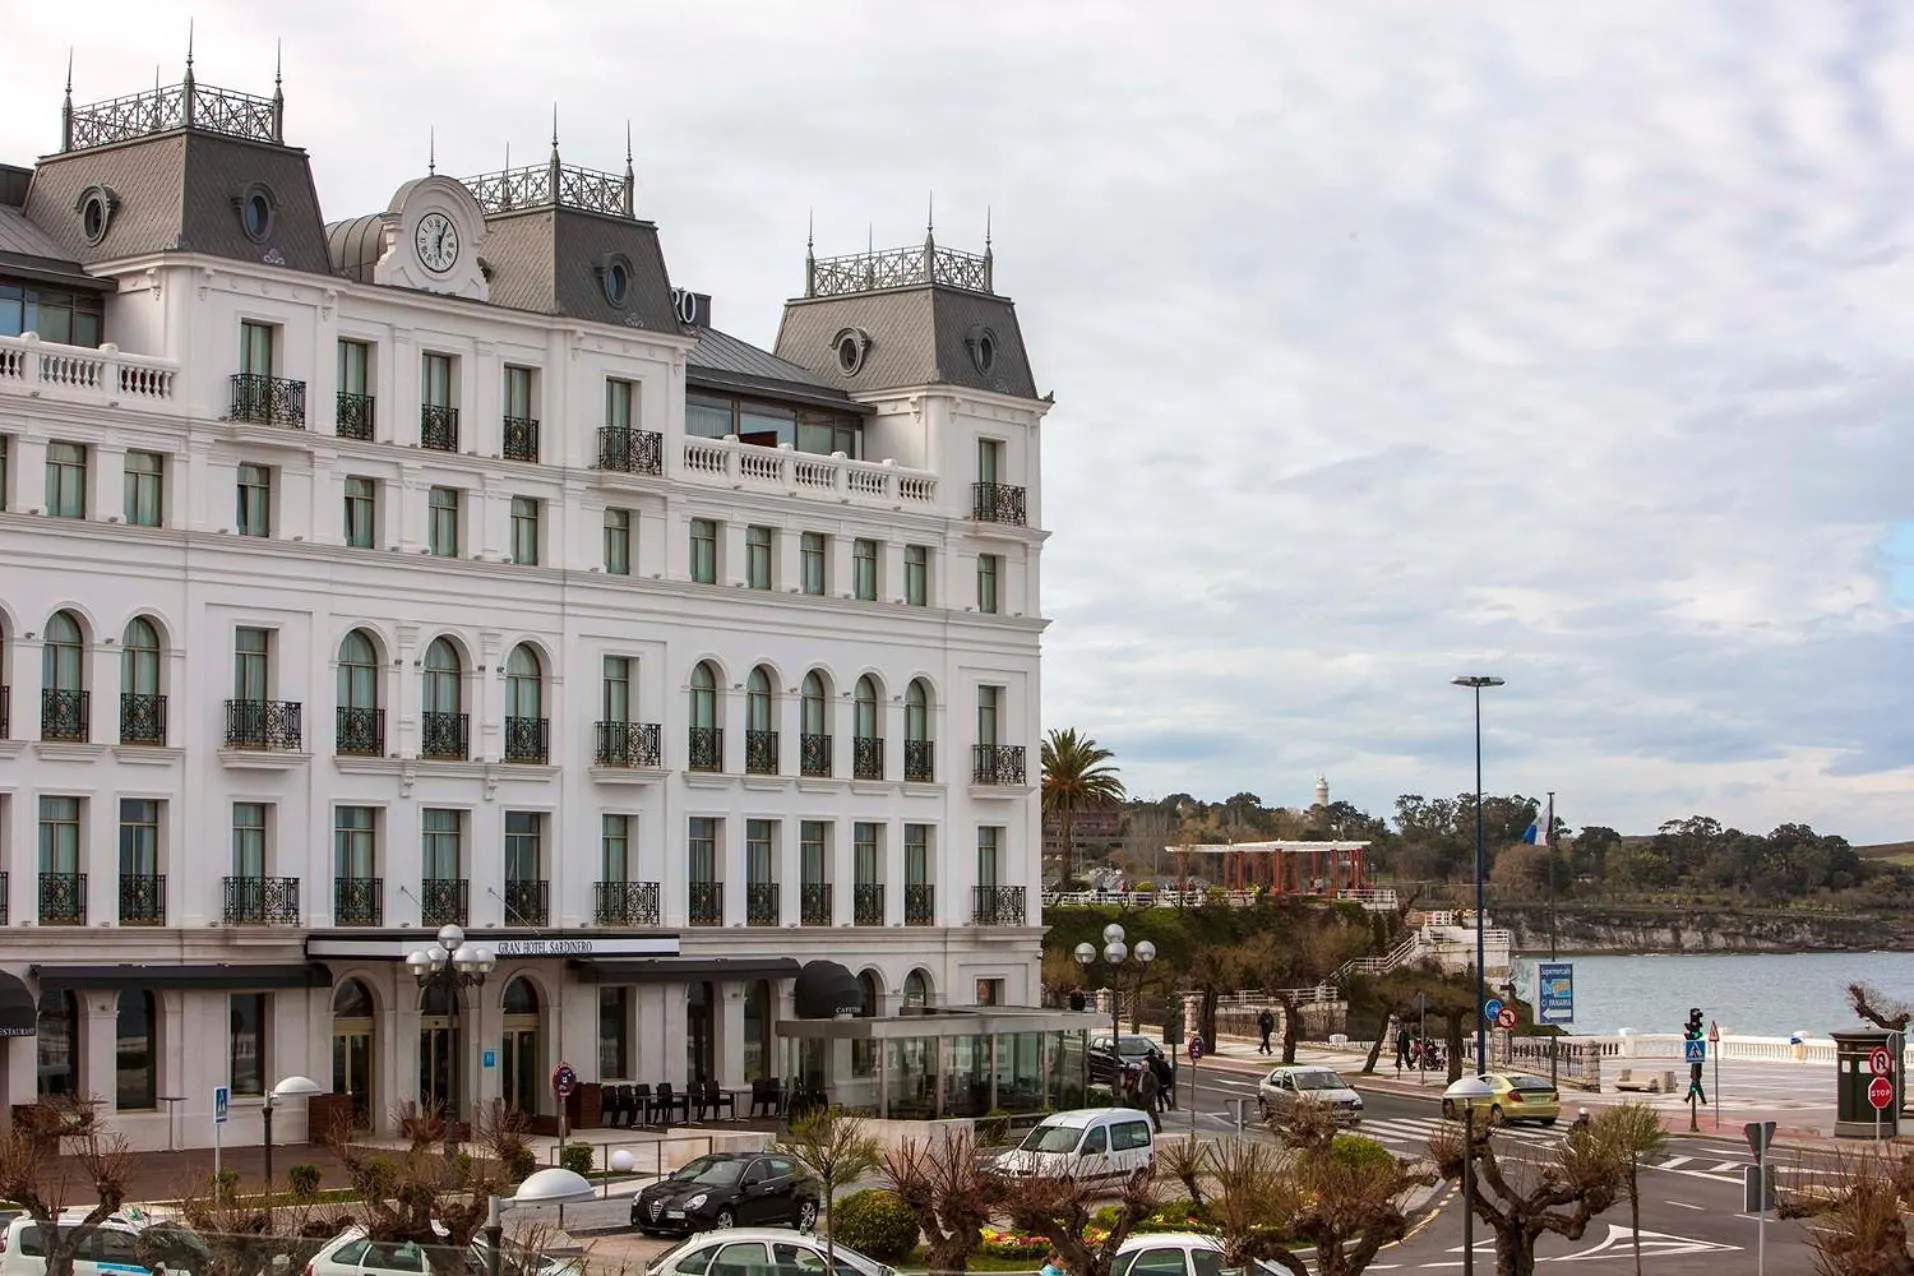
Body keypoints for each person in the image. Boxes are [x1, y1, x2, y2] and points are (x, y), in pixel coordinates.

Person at [1136, 1059, 1161, 1131]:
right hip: (1141, 1097)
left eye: (1144, 1066)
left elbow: (1156, 1087)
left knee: (1153, 1114)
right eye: (1142, 1066)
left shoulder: (1152, 1076)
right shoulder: (1140, 1074)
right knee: (1140, 1113)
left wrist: (1150, 1096)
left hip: (1149, 1098)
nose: (1143, 1068)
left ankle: (1158, 1127)